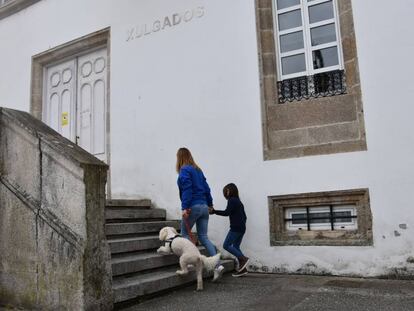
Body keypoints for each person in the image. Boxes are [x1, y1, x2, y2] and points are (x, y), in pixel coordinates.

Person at [176, 147, 224, 281]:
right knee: (203, 237)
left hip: (193, 206)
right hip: (203, 206)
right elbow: (207, 188)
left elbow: (187, 188)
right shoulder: (198, 170)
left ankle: (187, 264)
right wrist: (210, 204)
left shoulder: (184, 170)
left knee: (184, 234)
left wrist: (185, 207)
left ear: (179, 158)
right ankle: (217, 265)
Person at [209, 183, 249, 277]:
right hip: (242, 227)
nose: (225, 193)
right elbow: (245, 217)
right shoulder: (239, 201)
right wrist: (241, 225)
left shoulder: (232, 200)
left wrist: (214, 211)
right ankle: (243, 269)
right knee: (236, 247)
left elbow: (227, 213)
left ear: (228, 191)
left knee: (226, 245)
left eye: (225, 191)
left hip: (235, 227)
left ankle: (243, 259)